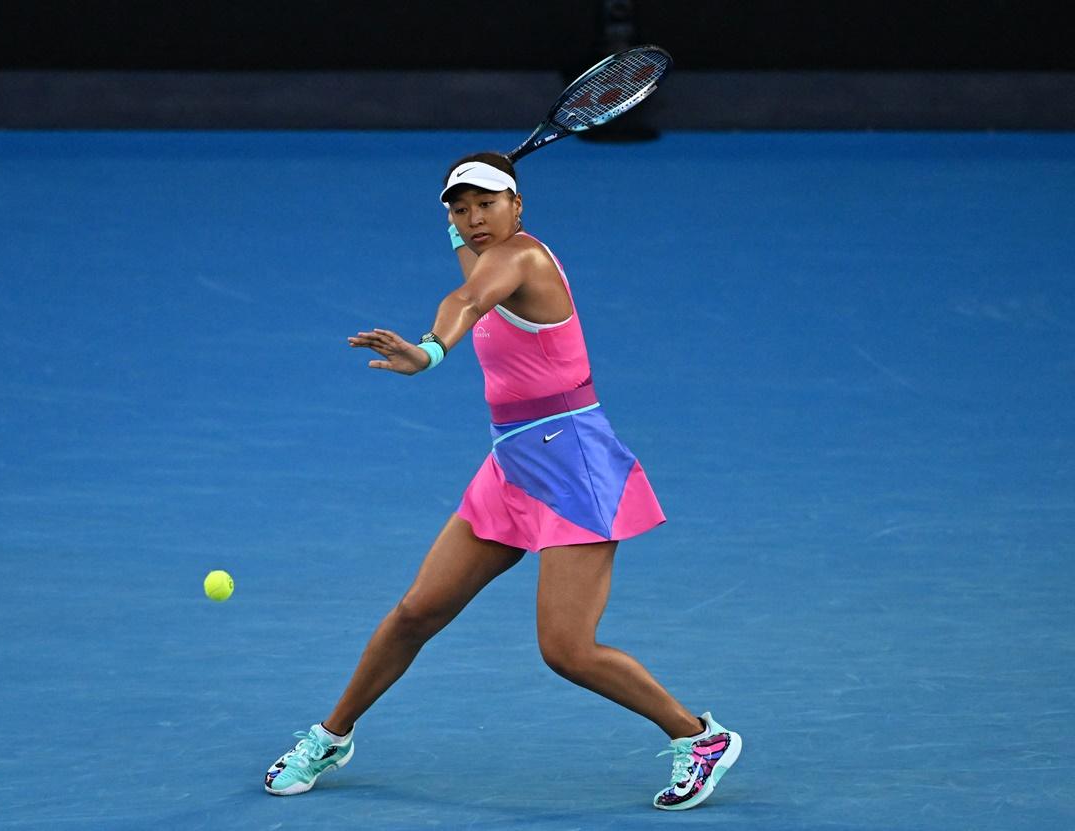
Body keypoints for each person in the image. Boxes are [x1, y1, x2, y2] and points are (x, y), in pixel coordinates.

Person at [264, 153, 741, 811]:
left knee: (567, 649)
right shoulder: (485, 250)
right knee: (416, 612)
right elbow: (471, 272)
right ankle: (331, 734)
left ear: (518, 207)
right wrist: (461, 228)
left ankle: (700, 736)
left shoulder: (525, 260)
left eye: (487, 204)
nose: (473, 217)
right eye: (460, 208)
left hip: (575, 467)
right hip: (513, 466)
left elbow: (466, 299)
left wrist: (429, 350)